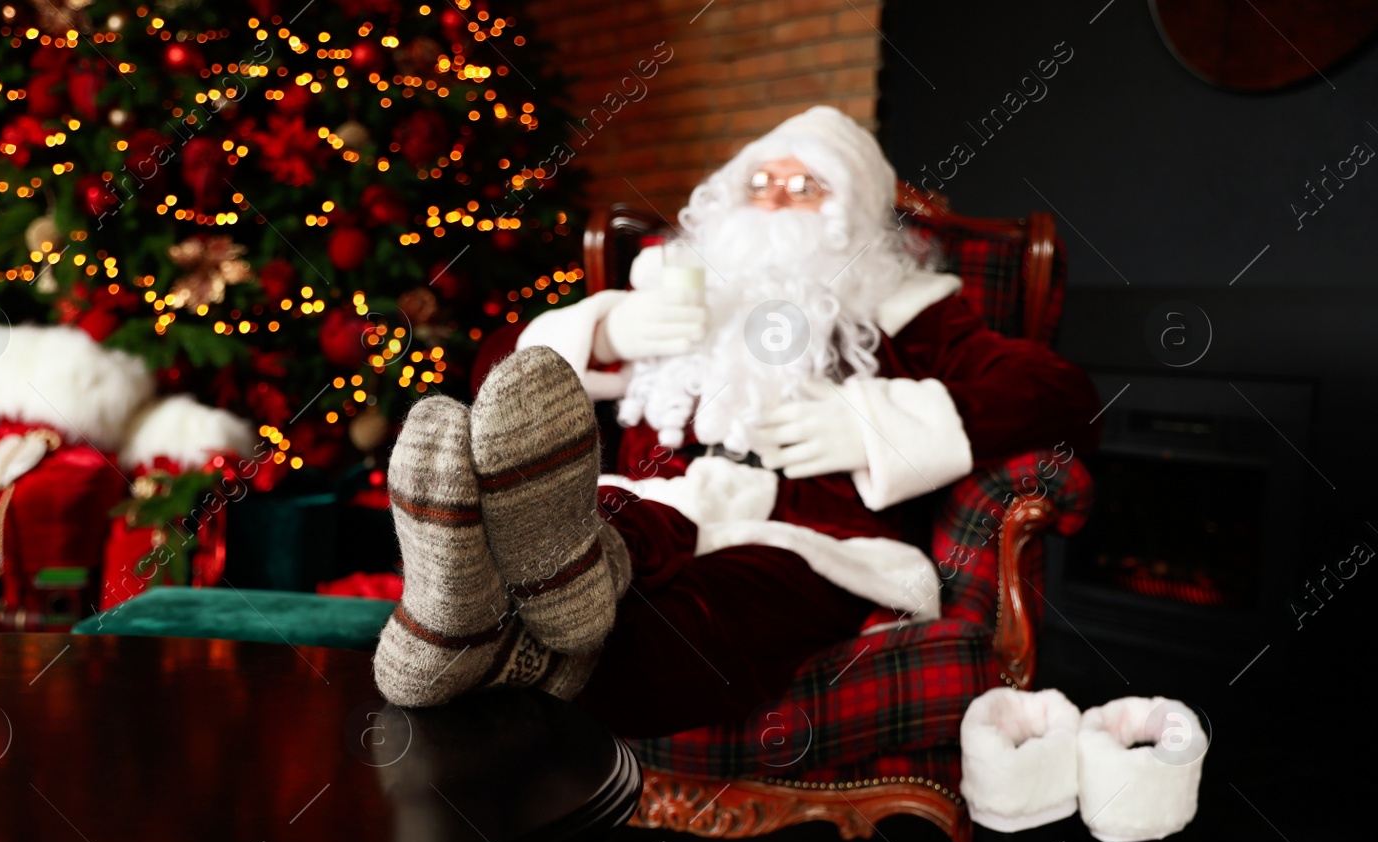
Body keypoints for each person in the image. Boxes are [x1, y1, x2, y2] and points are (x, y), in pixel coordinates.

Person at [372, 105, 1100, 737]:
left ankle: (461, 637)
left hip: (811, 542)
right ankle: (480, 600)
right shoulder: (669, 289)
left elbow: (1059, 391)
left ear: (855, 212)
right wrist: (608, 330)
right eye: (759, 182)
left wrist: (874, 422)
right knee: (599, 523)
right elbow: (497, 377)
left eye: (805, 185)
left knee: (701, 619)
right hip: (653, 503)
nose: (774, 199)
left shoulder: (910, 309)